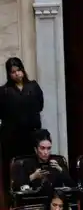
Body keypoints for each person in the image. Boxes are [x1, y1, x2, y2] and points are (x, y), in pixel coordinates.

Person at [0, 57, 44, 189]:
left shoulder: (33, 86)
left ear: (23, 70)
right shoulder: (4, 91)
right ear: (9, 74)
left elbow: (40, 105)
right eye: (13, 72)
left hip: (32, 134)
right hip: (12, 137)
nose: (16, 74)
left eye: (18, 70)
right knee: (13, 167)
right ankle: (13, 195)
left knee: (32, 163)